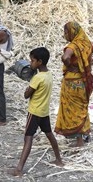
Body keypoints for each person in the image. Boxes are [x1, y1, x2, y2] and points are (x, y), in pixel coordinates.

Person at [8, 47, 63, 177]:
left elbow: (27, 95)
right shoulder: (48, 75)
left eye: (32, 61)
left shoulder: (37, 77)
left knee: (28, 138)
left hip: (34, 111)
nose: (30, 63)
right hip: (44, 112)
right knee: (49, 135)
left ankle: (19, 169)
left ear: (39, 61)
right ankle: (59, 160)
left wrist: (27, 89)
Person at [55, 21, 93, 147]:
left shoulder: (72, 46)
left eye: (65, 32)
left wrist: (69, 65)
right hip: (84, 81)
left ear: (71, 32)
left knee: (73, 111)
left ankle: (79, 141)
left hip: (72, 82)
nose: (65, 35)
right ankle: (85, 135)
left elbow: (65, 57)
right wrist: (88, 64)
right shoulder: (87, 44)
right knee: (82, 108)